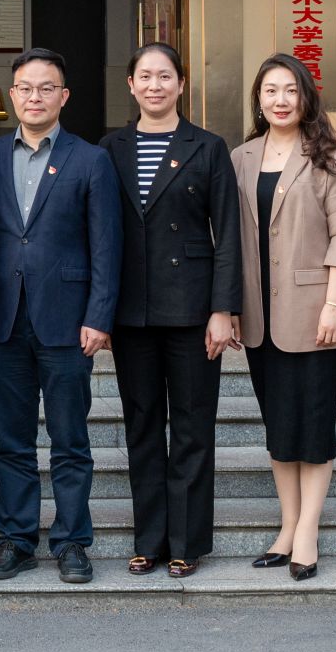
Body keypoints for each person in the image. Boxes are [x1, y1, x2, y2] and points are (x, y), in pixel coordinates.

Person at [0, 48, 122, 584]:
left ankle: (71, 541)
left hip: (67, 319)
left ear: (64, 96)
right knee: (11, 441)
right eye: (25, 88)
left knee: (70, 441)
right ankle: (15, 538)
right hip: (3, 319)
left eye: (46, 88)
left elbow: (106, 245)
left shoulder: (91, 159)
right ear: (12, 95)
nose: (34, 97)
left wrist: (99, 316)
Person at [98, 42, 241, 579]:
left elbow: (228, 235)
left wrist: (223, 309)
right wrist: (100, 311)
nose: (154, 85)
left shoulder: (208, 147)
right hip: (131, 311)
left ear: (182, 84)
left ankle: (187, 541)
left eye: (165, 76)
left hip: (192, 309)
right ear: (130, 85)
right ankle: (149, 539)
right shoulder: (109, 148)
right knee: (141, 426)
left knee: (191, 426)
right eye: (145, 76)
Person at [230, 52, 336, 583]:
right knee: (279, 426)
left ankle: (308, 530)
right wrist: (230, 306)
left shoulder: (331, 155)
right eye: (270, 91)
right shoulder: (240, 157)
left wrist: (335, 303)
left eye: (290, 90)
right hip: (259, 313)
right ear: (258, 100)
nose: (280, 100)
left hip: (314, 312)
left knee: (314, 425)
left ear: (306, 97)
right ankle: (287, 526)